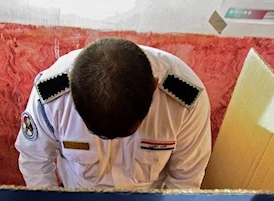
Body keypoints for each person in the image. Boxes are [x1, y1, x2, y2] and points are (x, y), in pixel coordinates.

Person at [15, 37, 211, 189]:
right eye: (96, 133)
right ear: (72, 92)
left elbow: (185, 178)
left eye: (126, 133)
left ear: (153, 86)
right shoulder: (52, 97)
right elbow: (34, 159)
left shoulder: (185, 100)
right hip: (78, 198)